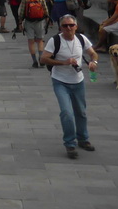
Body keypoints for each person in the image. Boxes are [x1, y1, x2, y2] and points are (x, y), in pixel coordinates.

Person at [41, 16, 98, 158]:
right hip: (60, 81)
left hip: (78, 81)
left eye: (71, 25)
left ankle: (83, 139)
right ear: (61, 28)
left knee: (81, 112)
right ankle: (70, 144)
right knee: (66, 113)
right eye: (65, 26)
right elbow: (43, 59)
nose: (68, 28)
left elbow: (92, 53)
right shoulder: (55, 41)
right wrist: (64, 62)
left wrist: (93, 62)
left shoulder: (81, 39)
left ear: (76, 26)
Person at [19, 0, 50, 68]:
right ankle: (41, 57)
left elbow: (21, 12)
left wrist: (20, 23)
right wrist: (47, 19)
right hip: (40, 22)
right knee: (40, 40)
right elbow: (45, 9)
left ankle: (34, 61)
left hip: (29, 22)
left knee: (31, 41)